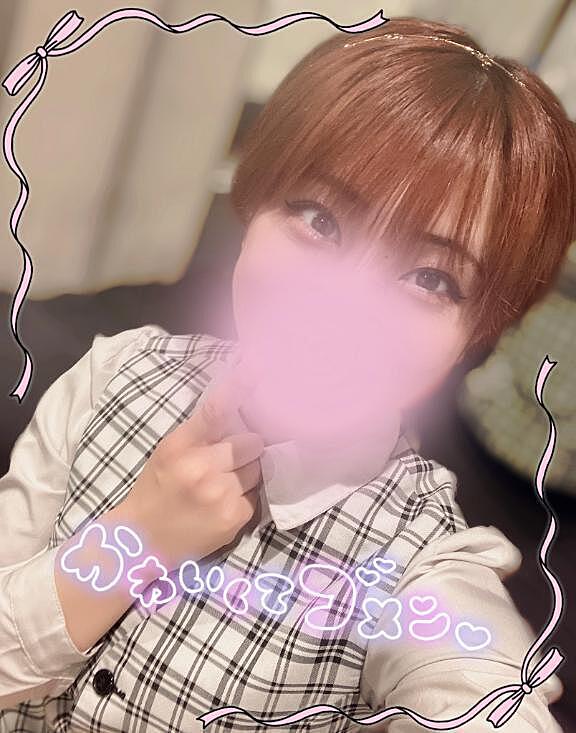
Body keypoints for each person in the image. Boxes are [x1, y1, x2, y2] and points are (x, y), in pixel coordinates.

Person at [1, 15, 575, 733]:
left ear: (477, 333)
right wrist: (136, 539)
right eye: (320, 219)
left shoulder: (419, 563)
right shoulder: (112, 375)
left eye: (432, 278)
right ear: (255, 200)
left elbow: (475, 686)